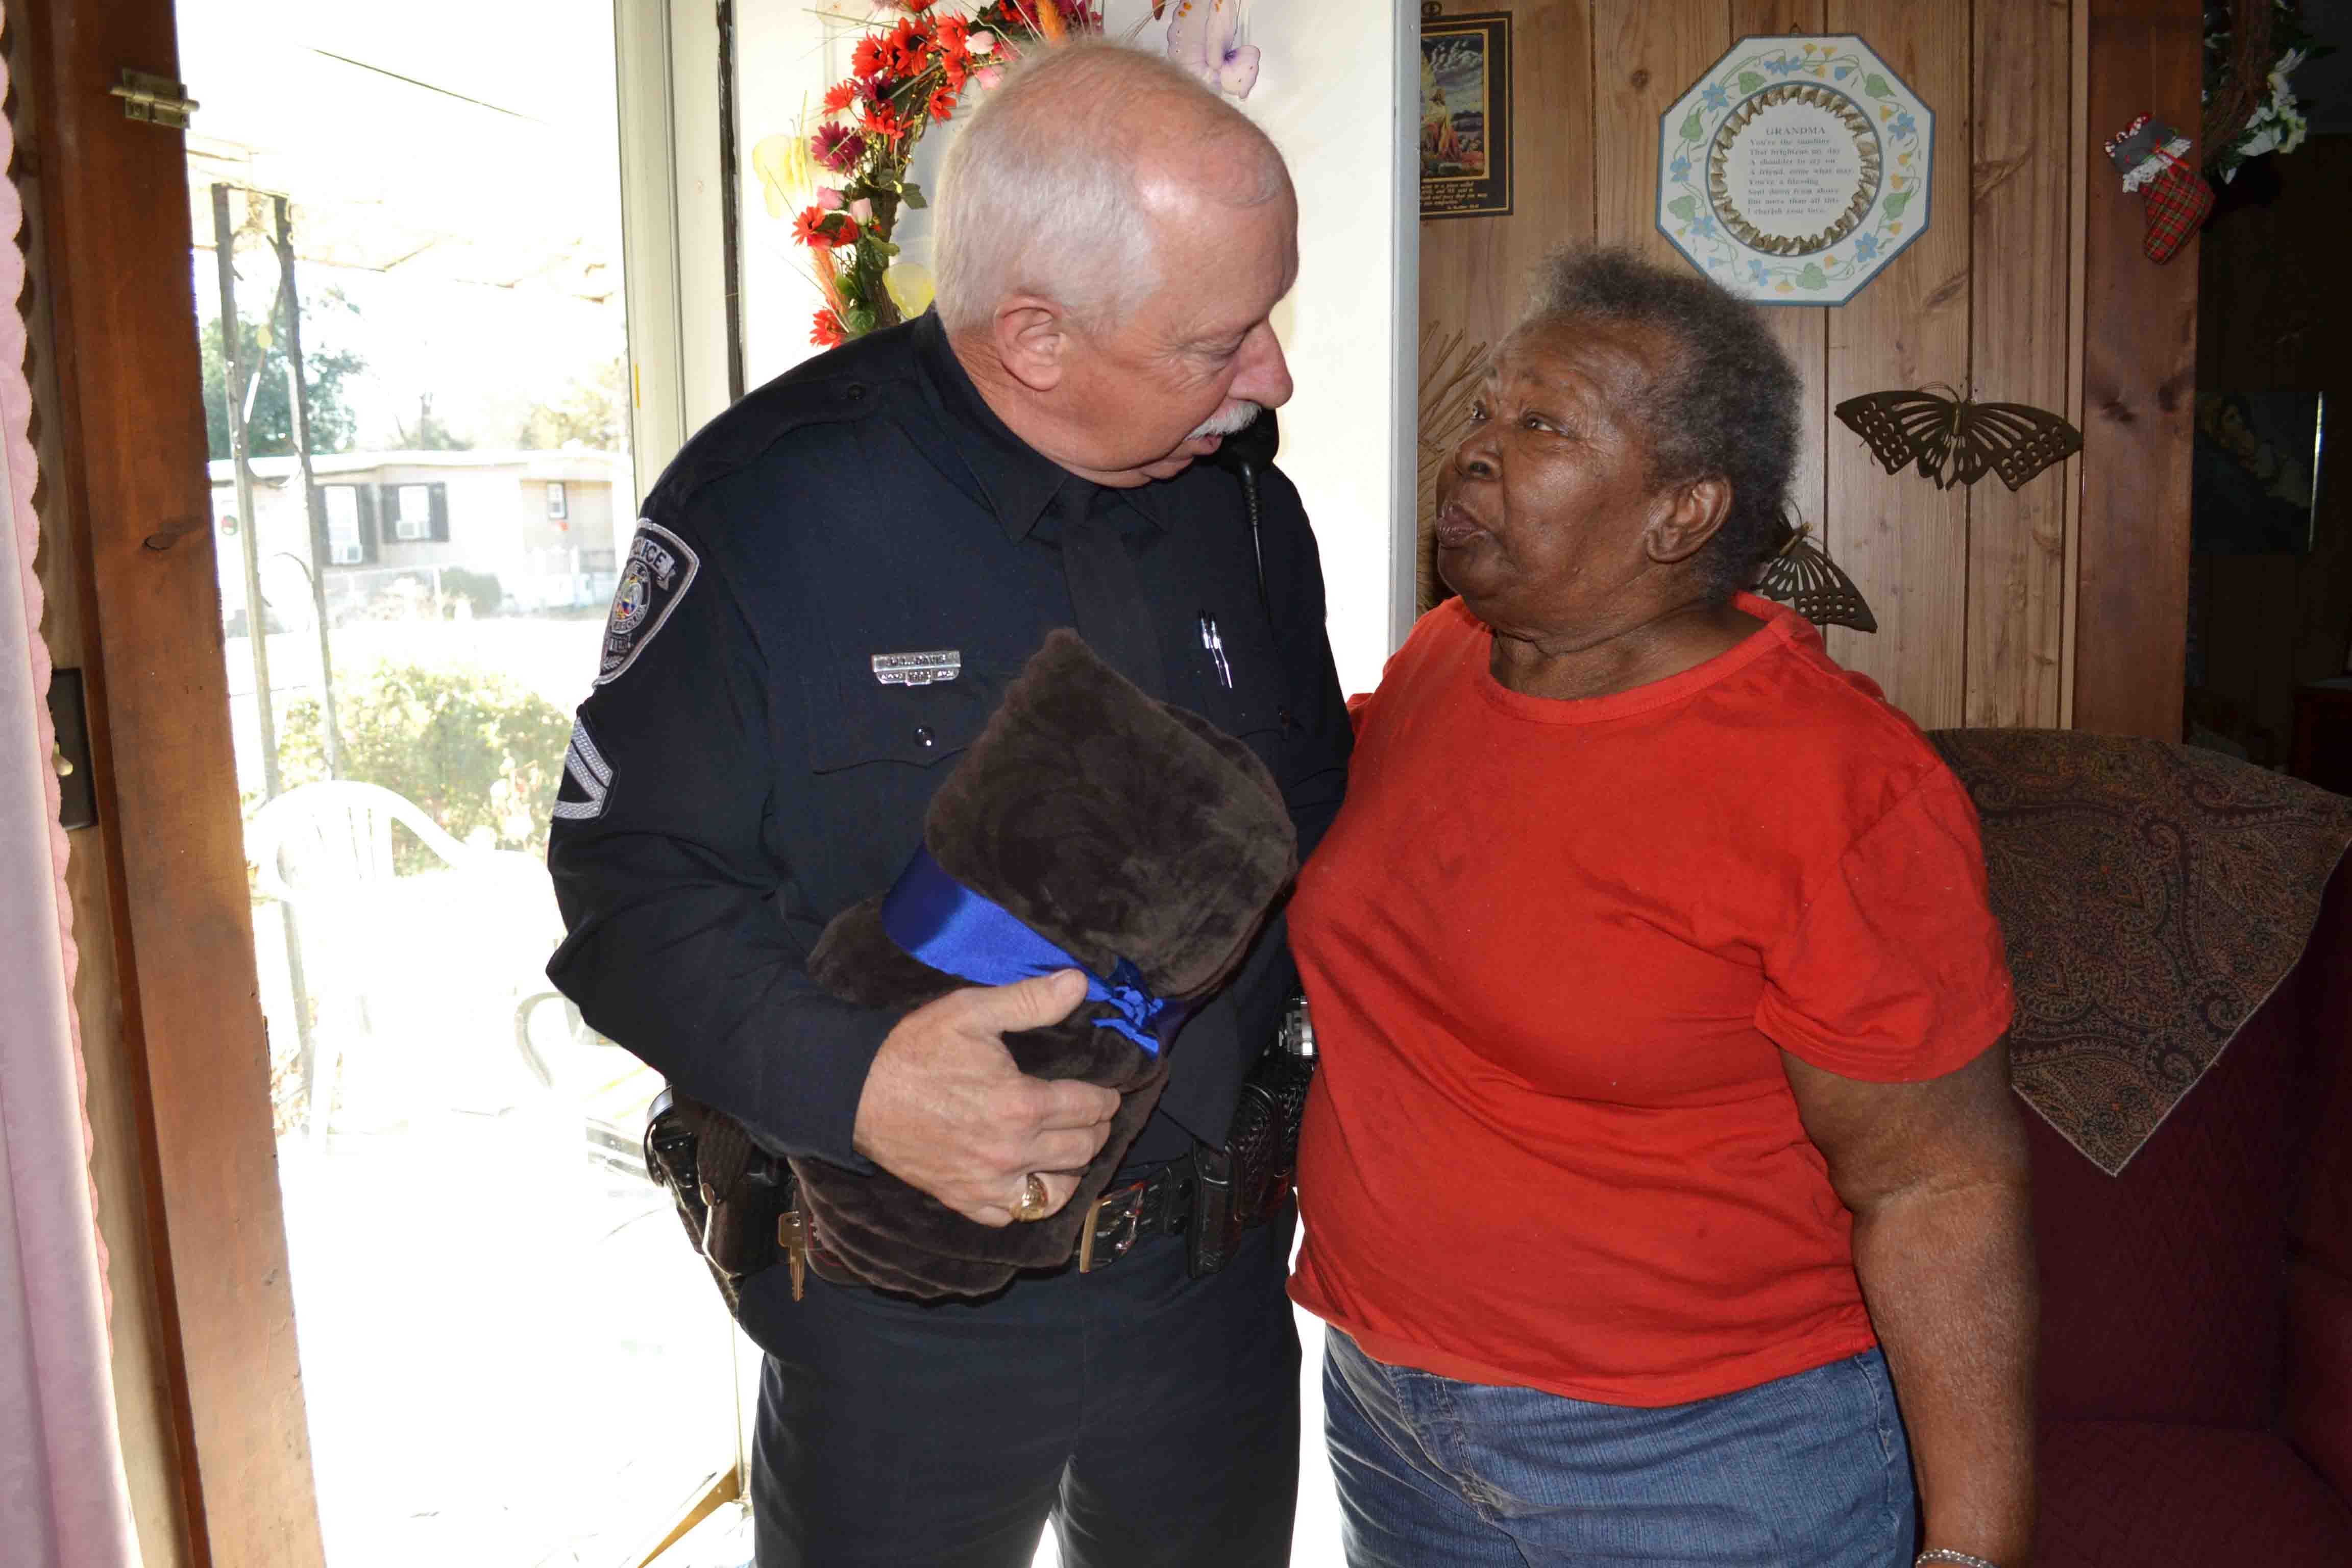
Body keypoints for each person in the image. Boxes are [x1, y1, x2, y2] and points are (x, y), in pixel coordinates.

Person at [544, 41, 1350, 1568]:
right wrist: (859, 1082)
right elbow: (628, 894)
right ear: (1037, 336)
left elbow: (1308, 810)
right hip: (901, 1315)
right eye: (1223, 339)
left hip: (1213, 1287)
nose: (1273, 378)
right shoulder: (771, 508)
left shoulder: (1245, 496)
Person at [1286, 247, 2036, 1568]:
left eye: (1542, 426)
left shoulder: (1836, 785)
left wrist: (1974, 1550)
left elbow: (1941, 1190)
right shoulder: (1445, 662)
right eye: (1483, 411)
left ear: (1680, 512)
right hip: (1393, 1425)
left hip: (1705, 1474)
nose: (1472, 455)